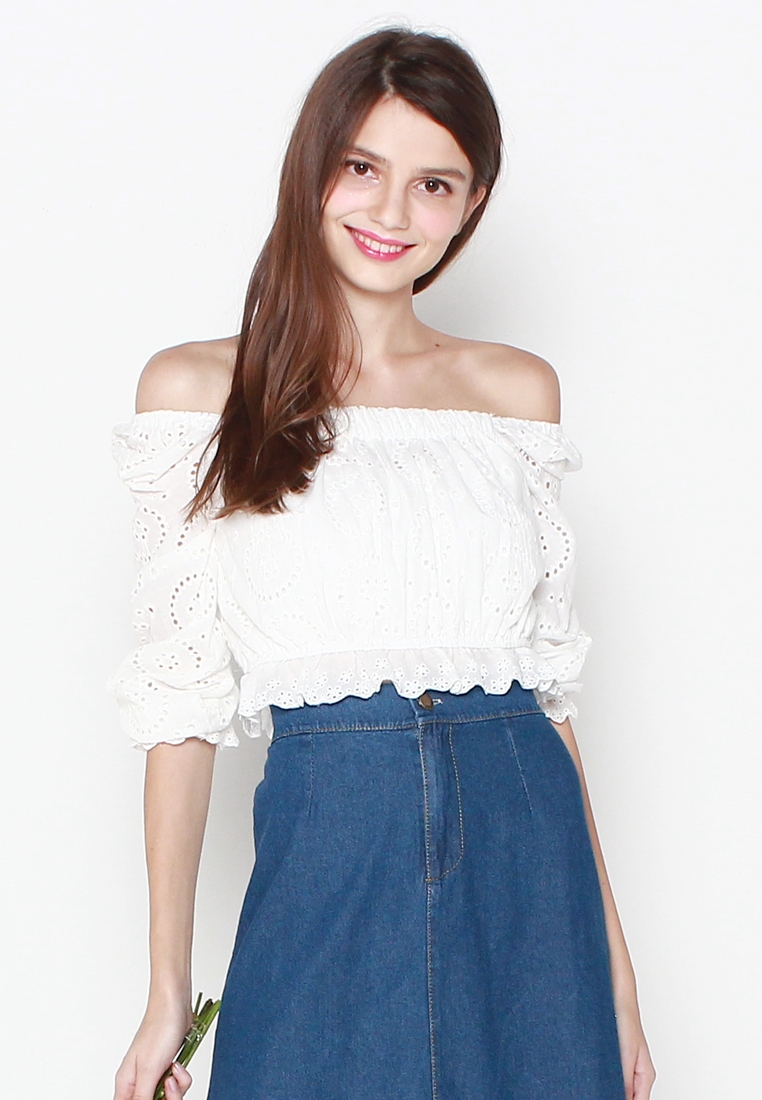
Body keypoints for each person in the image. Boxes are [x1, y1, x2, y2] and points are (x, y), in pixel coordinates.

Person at [109, 27, 656, 1100]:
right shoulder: (197, 393)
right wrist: (167, 988)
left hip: (525, 850)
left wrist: (619, 980)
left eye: (433, 184)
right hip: (329, 836)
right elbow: (181, 703)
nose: (392, 212)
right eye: (362, 167)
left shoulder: (515, 394)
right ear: (312, 167)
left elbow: (550, 702)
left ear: (472, 203)